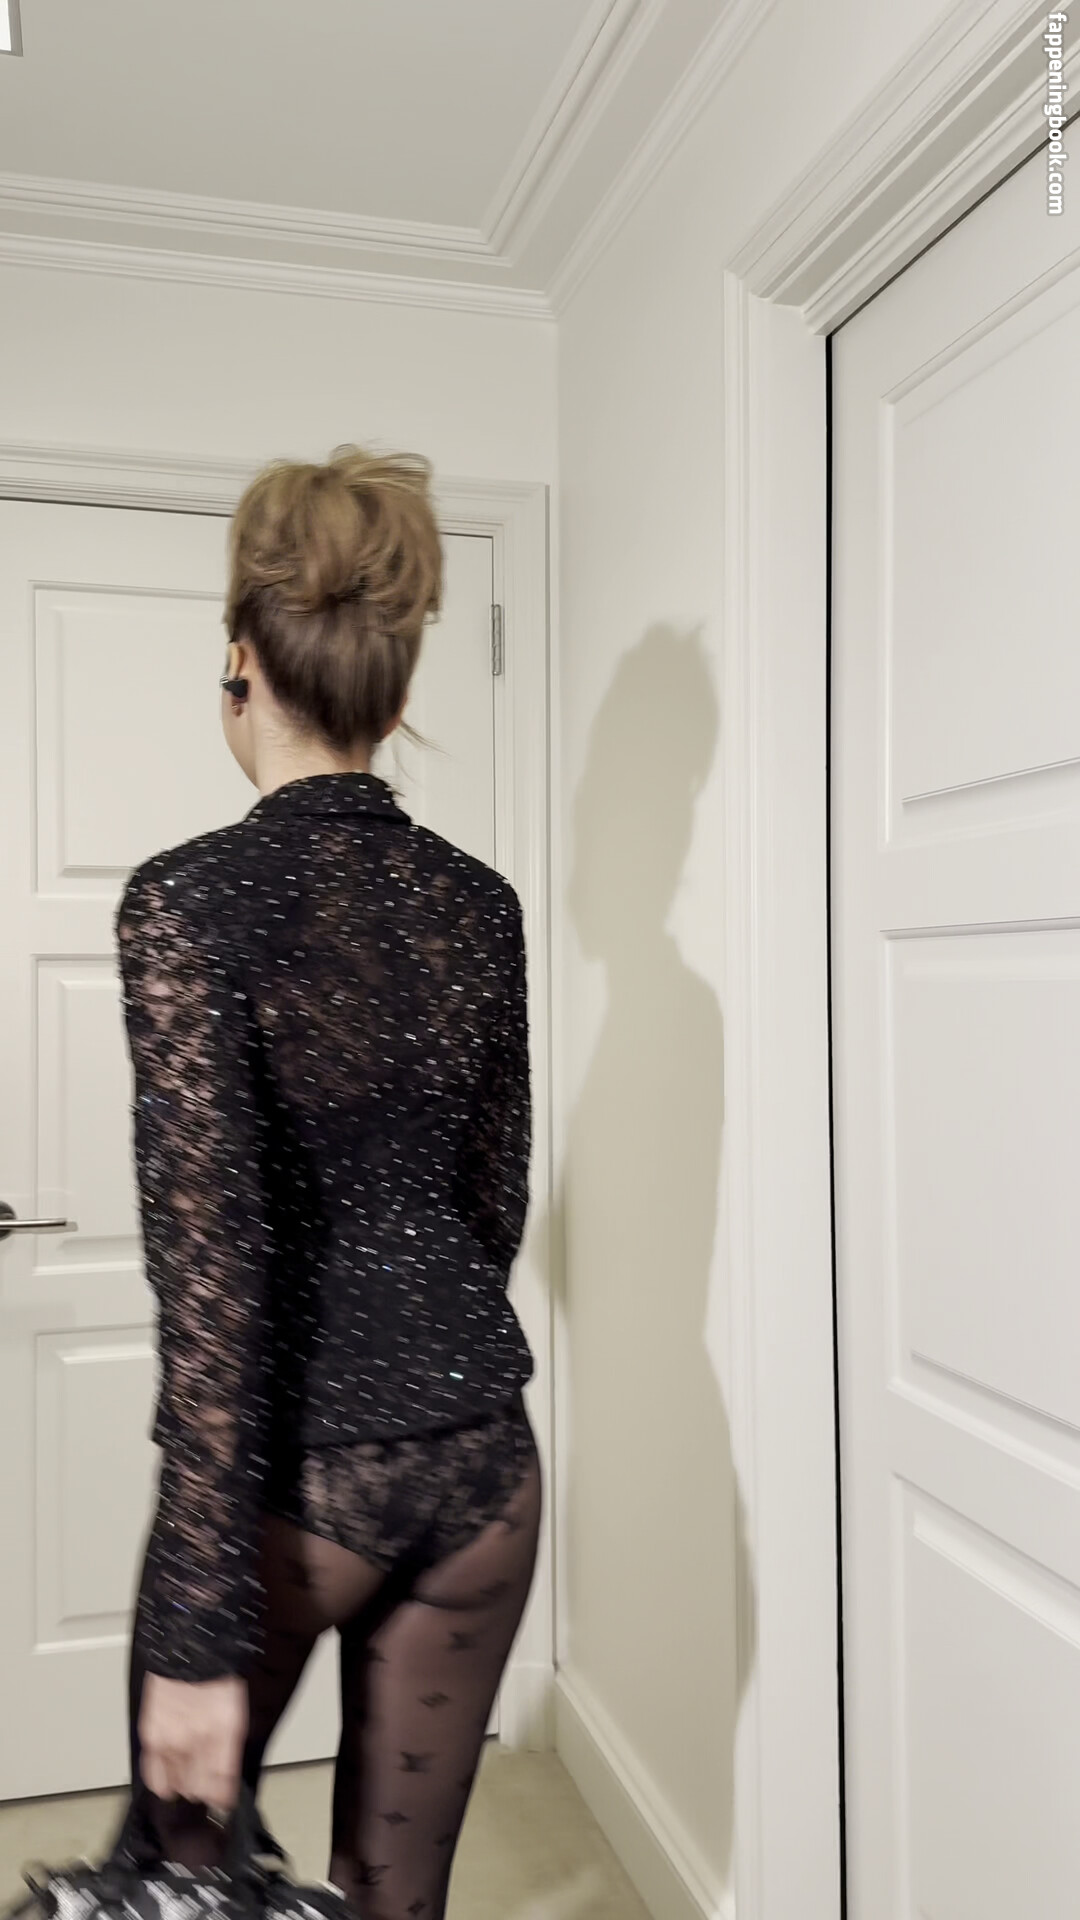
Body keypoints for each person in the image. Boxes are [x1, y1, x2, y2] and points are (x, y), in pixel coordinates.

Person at [116, 447, 542, 1920]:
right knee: (394, 1897)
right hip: (484, 1465)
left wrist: (191, 1629)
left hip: (304, 1486)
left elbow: (212, 1286)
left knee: (176, 1883)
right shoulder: (480, 904)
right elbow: (491, 1202)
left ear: (244, 654)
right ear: (396, 678)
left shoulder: (187, 902)